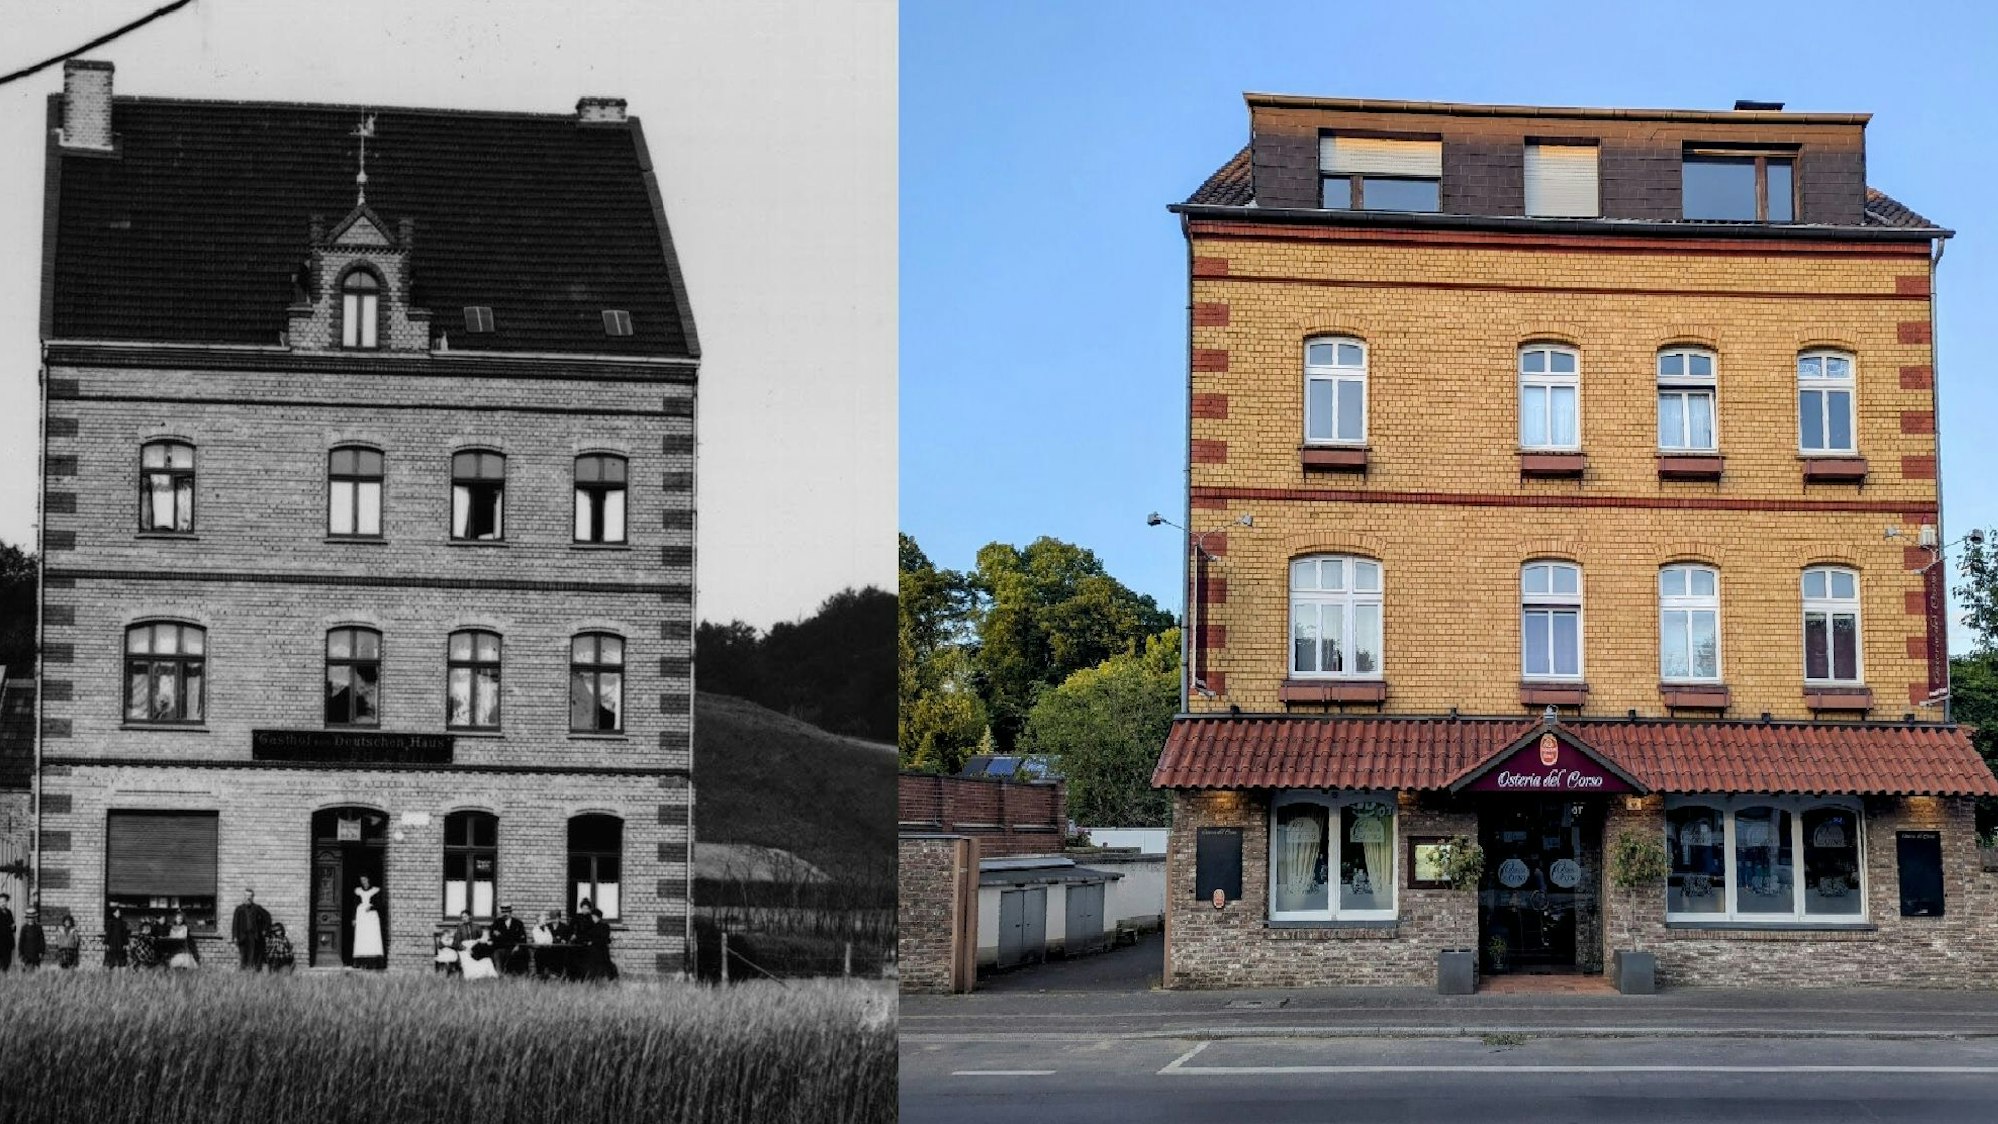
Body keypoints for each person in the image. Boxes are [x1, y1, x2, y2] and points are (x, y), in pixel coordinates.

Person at [231, 888, 271, 971]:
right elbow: (235, 924)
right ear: (244, 897)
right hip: (242, 937)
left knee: (252, 958)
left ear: (253, 897)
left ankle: (252, 974)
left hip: (254, 937)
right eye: (246, 896)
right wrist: (235, 936)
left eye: (250, 896)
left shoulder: (257, 908)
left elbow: (268, 917)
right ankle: (243, 975)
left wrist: (264, 930)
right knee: (243, 957)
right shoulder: (239, 909)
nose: (248, 898)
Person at [352, 875, 384, 969]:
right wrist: (354, 918)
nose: (363, 882)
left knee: (372, 937)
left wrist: (372, 907)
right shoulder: (358, 891)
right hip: (361, 916)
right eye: (361, 880)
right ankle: (360, 962)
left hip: (371, 916)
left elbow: (380, 904)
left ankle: (373, 962)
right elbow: (354, 905)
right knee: (362, 937)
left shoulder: (375, 891)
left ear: (369, 880)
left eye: (365, 880)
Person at [488, 903, 527, 975]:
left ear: (510, 912)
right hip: (500, 947)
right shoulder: (497, 923)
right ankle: (499, 974)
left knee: (519, 955)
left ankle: (514, 975)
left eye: (506, 912)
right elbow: (492, 935)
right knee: (497, 954)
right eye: (503, 912)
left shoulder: (518, 923)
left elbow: (523, 938)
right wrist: (496, 936)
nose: (504, 914)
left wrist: (518, 946)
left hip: (513, 948)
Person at [104, 905, 129, 970]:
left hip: (120, 943)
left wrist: (125, 943)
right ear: (113, 913)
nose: (119, 914)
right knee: (111, 959)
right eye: (117, 912)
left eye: (119, 912)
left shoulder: (123, 923)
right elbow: (108, 933)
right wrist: (106, 943)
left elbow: (124, 934)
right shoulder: (110, 922)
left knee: (121, 959)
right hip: (112, 943)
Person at [0, 892, 15, 972]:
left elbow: (12, 926)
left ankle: (4, 976)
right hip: (0, 941)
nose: (3, 903)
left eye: (4, 902)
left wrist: (13, 927)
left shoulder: (9, 912)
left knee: (7, 962)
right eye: (1, 902)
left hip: (8, 942)